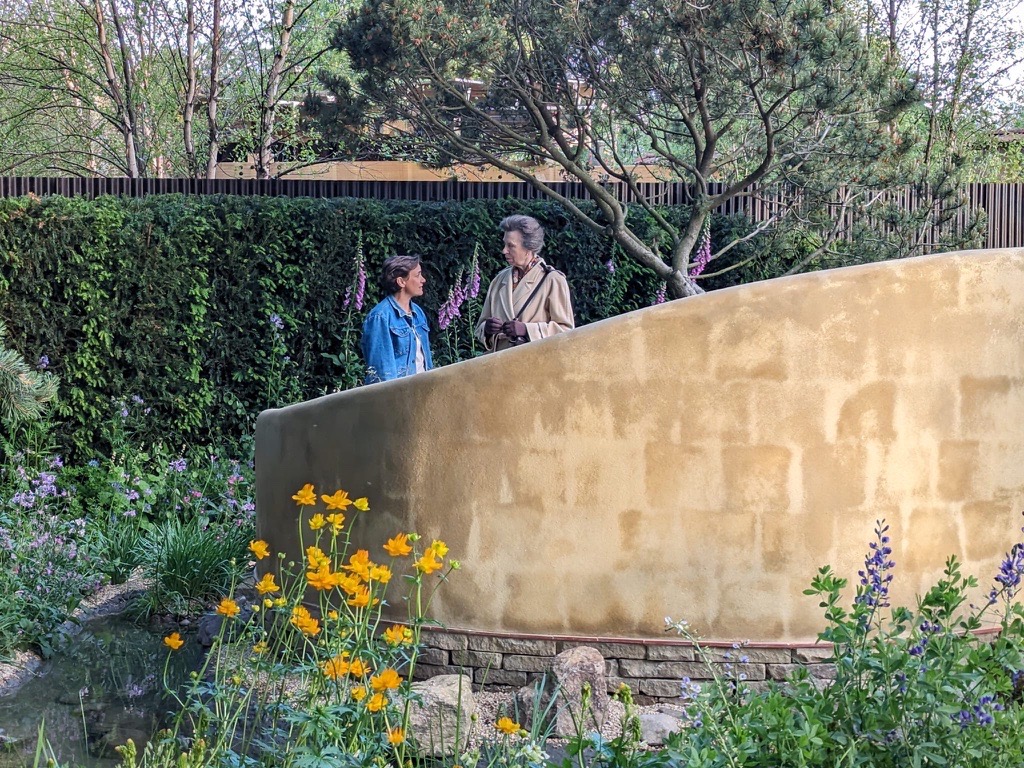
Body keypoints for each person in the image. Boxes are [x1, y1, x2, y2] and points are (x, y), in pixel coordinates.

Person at [474, 215, 574, 352]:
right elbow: (479, 328)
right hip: (499, 366)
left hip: (534, 366)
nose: (504, 250)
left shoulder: (553, 280)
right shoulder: (498, 281)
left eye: (511, 246)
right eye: (504, 244)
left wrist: (527, 330)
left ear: (529, 248)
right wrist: (486, 329)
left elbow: (566, 331)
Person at [361, 254, 433, 384]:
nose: (423, 280)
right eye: (417, 275)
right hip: (398, 397)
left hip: (421, 392)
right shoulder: (380, 317)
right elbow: (382, 373)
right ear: (401, 281)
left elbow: (425, 363)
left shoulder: (418, 313)